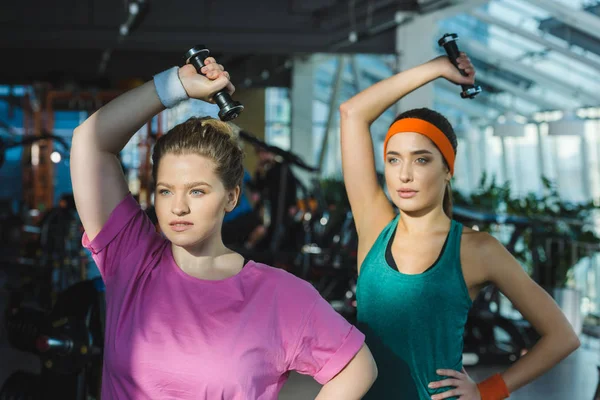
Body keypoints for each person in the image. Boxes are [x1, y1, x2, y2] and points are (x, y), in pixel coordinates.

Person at [70, 57, 377, 399]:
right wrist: (176, 87)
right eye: (165, 190)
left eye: (197, 191)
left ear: (231, 198)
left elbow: (357, 366)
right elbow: (90, 144)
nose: (178, 206)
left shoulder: (279, 296)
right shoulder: (132, 261)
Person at [339, 52, 580, 400]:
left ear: (447, 170)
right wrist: (436, 68)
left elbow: (563, 336)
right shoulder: (375, 226)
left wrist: (488, 390)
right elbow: (353, 112)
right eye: (394, 159)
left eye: (421, 159)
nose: (404, 174)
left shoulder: (477, 250)